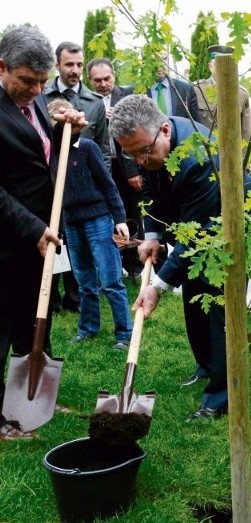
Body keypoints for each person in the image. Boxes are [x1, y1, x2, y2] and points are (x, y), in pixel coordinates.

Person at [109, 94, 251, 420]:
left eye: (143, 151)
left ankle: (221, 396)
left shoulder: (198, 159)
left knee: (219, 306)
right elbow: (152, 191)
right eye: (130, 154)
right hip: (197, 227)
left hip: (230, 230)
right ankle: (206, 366)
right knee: (194, 295)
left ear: (164, 130)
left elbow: (200, 236)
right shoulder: (149, 148)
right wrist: (152, 236)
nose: (139, 160)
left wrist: (157, 287)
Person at [0, 26, 87, 440]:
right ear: (2, 67)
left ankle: (33, 396)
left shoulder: (31, 103)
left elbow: (40, 158)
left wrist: (69, 131)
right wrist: (33, 227)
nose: (36, 90)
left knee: (35, 319)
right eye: (27, 81)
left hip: (41, 238)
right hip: (9, 238)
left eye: (41, 81)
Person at [47, 98, 133, 350]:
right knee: (85, 282)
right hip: (72, 223)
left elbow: (108, 184)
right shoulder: (51, 154)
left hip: (98, 219)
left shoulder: (87, 148)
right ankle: (88, 329)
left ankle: (124, 334)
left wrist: (119, 219)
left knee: (110, 281)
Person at [45, 41, 112, 313]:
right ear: (57, 65)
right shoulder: (42, 98)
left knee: (78, 243)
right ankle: (51, 299)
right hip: (50, 183)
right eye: (69, 64)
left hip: (83, 190)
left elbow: (104, 149)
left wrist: (102, 186)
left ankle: (77, 299)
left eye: (79, 65)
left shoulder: (93, 104)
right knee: (54, 236)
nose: (74, 70)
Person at [87, 57, 143, 236]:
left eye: (107, 79)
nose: (103, 84)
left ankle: (138, 255)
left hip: (126, 165)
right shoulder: (88, 101)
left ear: (114, 76)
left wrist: (133, 170)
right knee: (112, 212)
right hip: (102, 165)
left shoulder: (129, 95)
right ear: (90, 80)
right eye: (97, 80)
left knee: (134, 211)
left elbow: (138, 132)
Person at [194, 45, 251, 151]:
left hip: (231, 156)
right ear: (210, 66)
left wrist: (244, 164)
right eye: (218, 63)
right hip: (206, 154)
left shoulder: (241, 94)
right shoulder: (197, 90)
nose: (223, 67)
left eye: (228, 64)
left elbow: (246, 133)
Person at [148, 52, 204, 125]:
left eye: (164, 59)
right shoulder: (132, 92)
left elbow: (197, 125)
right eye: (154, 60)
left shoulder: (186, 90)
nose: (160, 65)